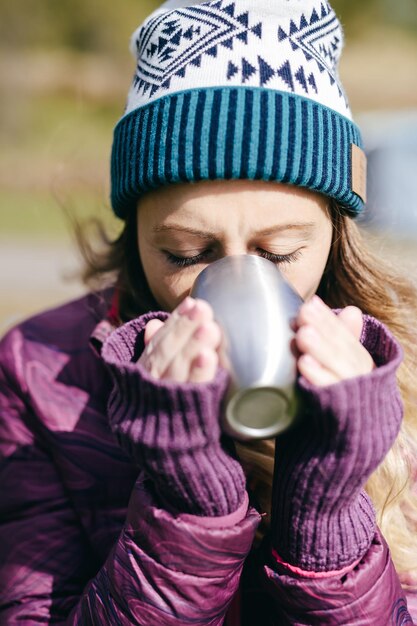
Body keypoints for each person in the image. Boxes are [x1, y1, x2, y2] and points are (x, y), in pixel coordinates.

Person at [0, 0, 416, 623]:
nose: (235, 280)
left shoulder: (402, 366)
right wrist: (186, 506)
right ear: (136, 235)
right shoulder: (39, 372)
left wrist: (327, 517)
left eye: (279, 252)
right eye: (186, 252)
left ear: (334, 232)